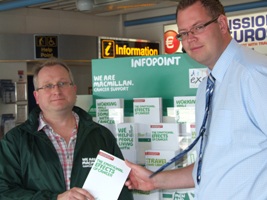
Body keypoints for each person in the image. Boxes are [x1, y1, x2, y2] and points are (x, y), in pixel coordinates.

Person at [125, 0, 267, 199]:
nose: (190, 39)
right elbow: (211, 166)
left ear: (222, 24)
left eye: (198, 28)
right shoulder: (207, 86)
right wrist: (154, 180)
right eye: (183, 33)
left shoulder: (254, 74)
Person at [0, 58, 133, 200]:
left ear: (74, 90)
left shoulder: (101, 135)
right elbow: (4, 192)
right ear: (36, 96)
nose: (56, 90)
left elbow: (121, 190)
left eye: (62, 83)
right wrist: (55, 199)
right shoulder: (16, 140)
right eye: (48, 86)